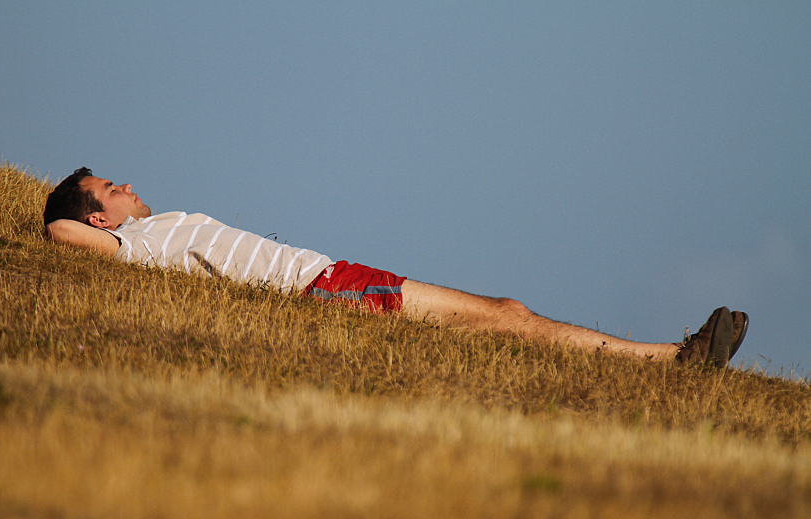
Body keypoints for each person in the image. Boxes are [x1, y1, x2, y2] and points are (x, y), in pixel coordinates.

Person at [43, 167, 748, 368]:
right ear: (100, 217)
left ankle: (673, 359)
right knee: (507, 319)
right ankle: (673, 361)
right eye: (110, 188)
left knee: (508, 319)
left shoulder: (153, 231)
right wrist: (83, 222)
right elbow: (56, 230)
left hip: (334, 277)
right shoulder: (134, 244)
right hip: (325, 290)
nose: (127, 182)